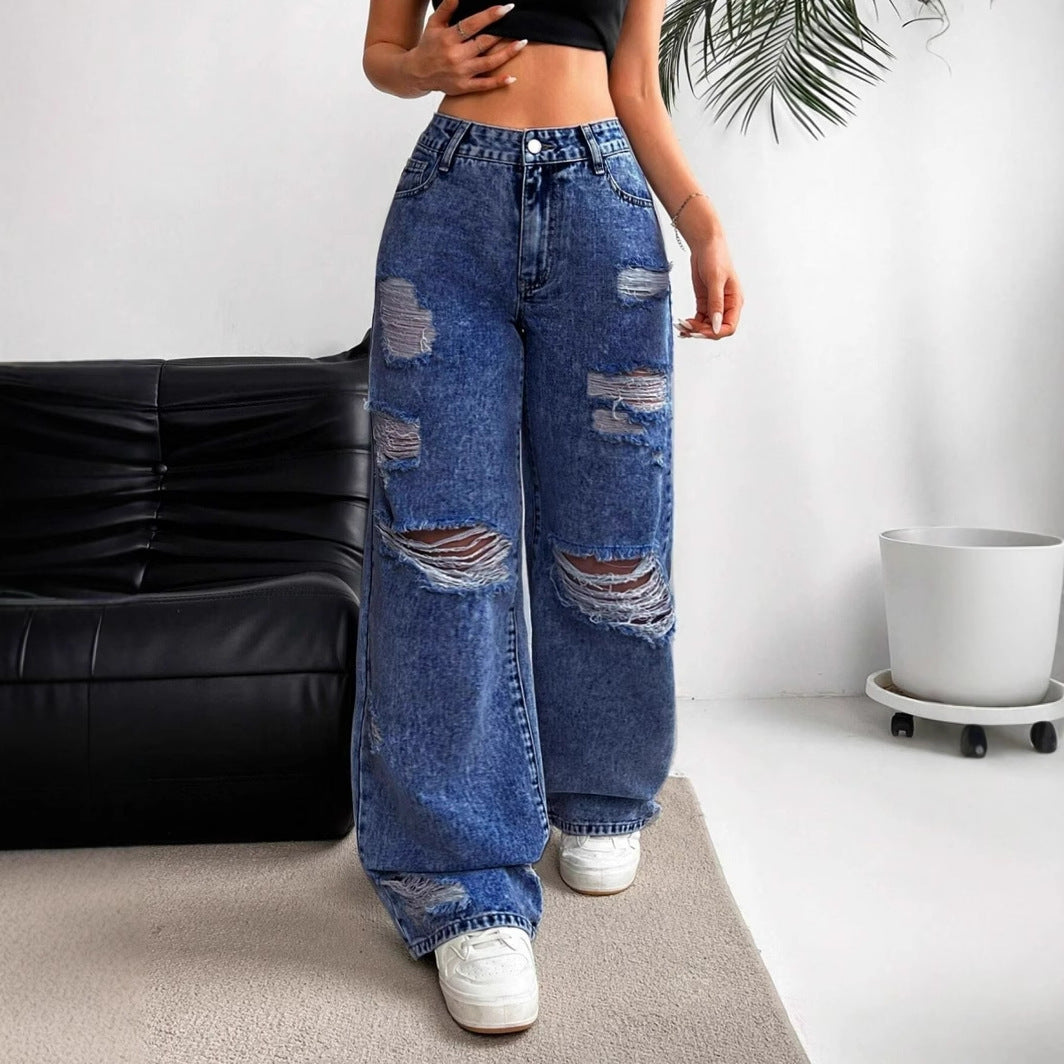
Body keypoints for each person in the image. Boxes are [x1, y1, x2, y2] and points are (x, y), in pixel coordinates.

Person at [357, 0, 743, 1035]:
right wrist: (423, 63)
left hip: (604, 208)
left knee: (611, 525)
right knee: (442, 545)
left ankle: (599, 790)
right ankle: (462, 879)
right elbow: (383, 56)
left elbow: (634, 85)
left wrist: (701, 220)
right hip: (449, 209)